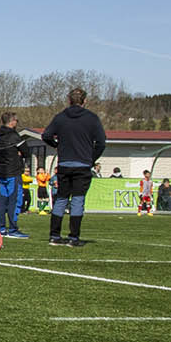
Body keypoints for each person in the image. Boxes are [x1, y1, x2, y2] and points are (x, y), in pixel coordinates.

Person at [42, 87, 105, 246]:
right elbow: (101, 142)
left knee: (61, 198)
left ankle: (54, 236)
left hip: (64, 164)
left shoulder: (60, 117)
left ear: (69, 100)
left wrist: (56, 145)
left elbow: (46, 136)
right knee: (78, 200)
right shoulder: (92, 118)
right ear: (85, 101)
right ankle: (73, 237)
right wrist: (91, 159)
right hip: (82, 165)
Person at [0, 112, 31, 238]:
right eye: (16, 121)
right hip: (13, 172)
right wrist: (19, 154)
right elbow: (26, 151)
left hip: (2, 172)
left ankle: (1, 227)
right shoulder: (14, 136)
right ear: (12, 121)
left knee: (2, 201)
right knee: (14, 200)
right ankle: (12, 228)